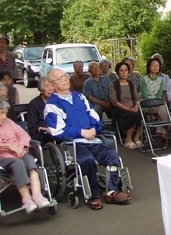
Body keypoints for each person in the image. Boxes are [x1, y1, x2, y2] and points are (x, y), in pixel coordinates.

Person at [44, 68, 131, 210]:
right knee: (87, 160)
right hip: (72, 145)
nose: (65, 79)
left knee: (112, 155)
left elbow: (94, 116)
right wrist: (81, 132)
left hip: (92, 139)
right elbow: (57, 131)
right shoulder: (51, 106)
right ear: (52, 85)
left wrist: (93, 129)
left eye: (65, 76)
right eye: (60, 78)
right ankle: (93, 195)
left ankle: (111, 191)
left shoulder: (79, 97)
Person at [0, 98, 52, 214]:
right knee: (18, 164)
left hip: (19, 153)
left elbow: (24, 135)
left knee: (30, 161)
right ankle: (27, 200)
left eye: (5, 113)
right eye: (1, 113)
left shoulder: (9, 122)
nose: (4, 116)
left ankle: (37, 196)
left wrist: (21, 146)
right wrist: (8, 146)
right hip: (3, 158)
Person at [109, 62, 142, 149]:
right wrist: (128, 108)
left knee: (142, 114)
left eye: (126, 70)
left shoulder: (131, 84)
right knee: (134, 115)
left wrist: (136, 106)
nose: (124, 72)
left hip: (132, 108)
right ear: (117, 72)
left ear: (128, 72)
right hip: (120, 109)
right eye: (121, 70)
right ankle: (128, 139)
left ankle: (137, 138)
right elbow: (114, 101)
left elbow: (137, 97)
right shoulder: (113, 85)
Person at [140, 58, 170, 141]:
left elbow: (159, 95)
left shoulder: (160, 81)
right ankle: (166, 125)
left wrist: (156, 102)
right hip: (147, 105)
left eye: (157, 65)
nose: (155, 67)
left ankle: (163, 132)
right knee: (162, 107)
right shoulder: (144, 80)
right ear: (149, 67)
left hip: (157, 104)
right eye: (153, 65)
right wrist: (153, 102)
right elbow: (145, 95)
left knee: (161, 107)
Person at [27, 77, 54, 144]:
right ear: (41, 90)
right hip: (42, 134)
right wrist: (43, 128)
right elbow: (32, 125)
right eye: (47, 86)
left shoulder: (58, 101)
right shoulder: (34, 104)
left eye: (52, 85)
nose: (50, 89)